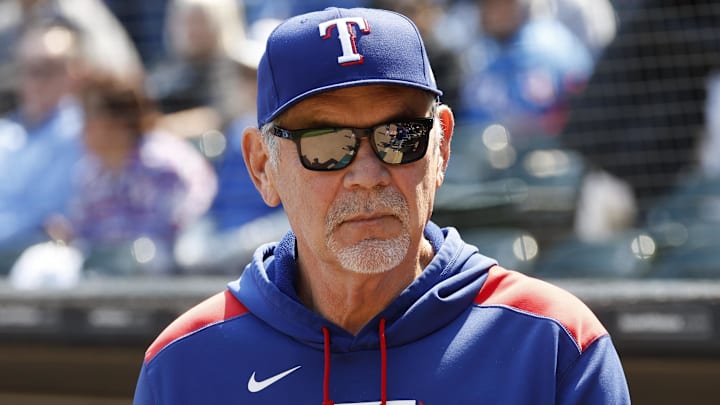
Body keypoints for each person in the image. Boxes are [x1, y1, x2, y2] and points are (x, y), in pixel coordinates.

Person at [134, 7, 630, 404]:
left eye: (401, 136)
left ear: (442, 149)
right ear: (263, 166)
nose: (368, 176)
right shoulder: (185, 364)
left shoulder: (554, 342)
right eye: (325, 144)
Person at [50, 71, 217, 275]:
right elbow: (84, 236)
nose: (81, 126)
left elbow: (166, 242)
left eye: (89, 115)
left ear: (119, 120)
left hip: (163, 281)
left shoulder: (161, 162)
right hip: (109, 279)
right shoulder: (90, 172)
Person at [0, 19, 85, 270]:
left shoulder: (89, 129)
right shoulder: (6, 134)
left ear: (75, 73)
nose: (37, 80)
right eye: (30, 69)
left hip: (50, 255)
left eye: (49, 68)